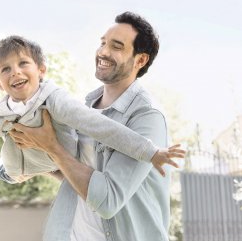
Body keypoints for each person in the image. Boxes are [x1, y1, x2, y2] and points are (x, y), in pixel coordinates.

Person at [0, 35, 183, 209]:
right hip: (19, 166)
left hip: (57, 160)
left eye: (23, 64)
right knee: (4, 170)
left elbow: (101, 126)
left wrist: (150, 151)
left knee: (85, 184)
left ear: (41, 69)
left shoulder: (56, 100)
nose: (15, 72)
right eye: (5, 69)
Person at [9, 12, 174, 240]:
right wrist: (37, 159)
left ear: (140, 60)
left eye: (116, 46)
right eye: (103, 43)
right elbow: (78, 175)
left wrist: (53, 148)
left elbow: (106, 199)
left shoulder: (147, 116)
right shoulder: (85, 108)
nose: (103, 52)